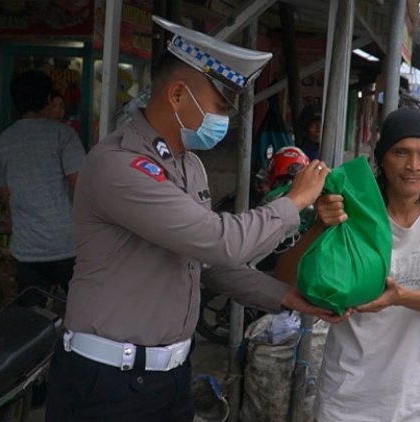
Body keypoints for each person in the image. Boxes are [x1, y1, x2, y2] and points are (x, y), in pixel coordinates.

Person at [45, 16, 345, 421]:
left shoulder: (189, 167)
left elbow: (204, 264)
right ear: (178, 95)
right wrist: (295, 200)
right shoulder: (119, 166)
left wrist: (286, 297)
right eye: (221, 105)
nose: (226, 118)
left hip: (168, 378)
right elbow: (220, 240)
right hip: (107, 383)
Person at [276, 107, 420, 421]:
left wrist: (400, 297)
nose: (413, 166)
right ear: (382, 158)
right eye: (401, 153)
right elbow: (284, 277)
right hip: (347, 400)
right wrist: (319, 228)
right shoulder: (351, 207)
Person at [0, 70, 86, 297]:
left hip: (27, 248)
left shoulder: (3, 141)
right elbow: (82, 186)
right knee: (78, 313)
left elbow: (6, 195)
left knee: (33, 319)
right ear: (47, 100)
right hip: (66, 244)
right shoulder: (63, 135)